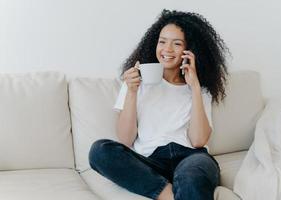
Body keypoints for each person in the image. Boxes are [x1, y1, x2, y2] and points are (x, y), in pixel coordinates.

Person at [89, 9, 229, 200]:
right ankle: (169, 195)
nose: (167, 49)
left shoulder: (199, 88)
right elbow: (125, 139)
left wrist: (194, 87)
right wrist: (131, 92)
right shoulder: (134, 81)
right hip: (150, 161)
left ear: (190, 50)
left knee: (192, 175)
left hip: (190, 158)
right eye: (162, 41)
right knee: (100, 151)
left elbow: (198, 141)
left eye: (177, 44)